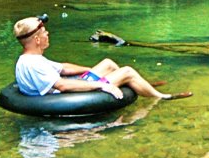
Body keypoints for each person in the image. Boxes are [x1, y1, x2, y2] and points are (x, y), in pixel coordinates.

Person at [12, 14, 192, 100]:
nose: (48, 34)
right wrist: (100, 84)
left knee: (108, 63)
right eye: (44, 32)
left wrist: (89, 70)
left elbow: (63, 68)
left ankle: (142, 84)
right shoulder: (35, 64)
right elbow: (63, 84)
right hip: (61, 97)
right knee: (127, 71)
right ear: (36, 39)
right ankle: (161, 97)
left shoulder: (29, 58)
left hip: (61, 89)